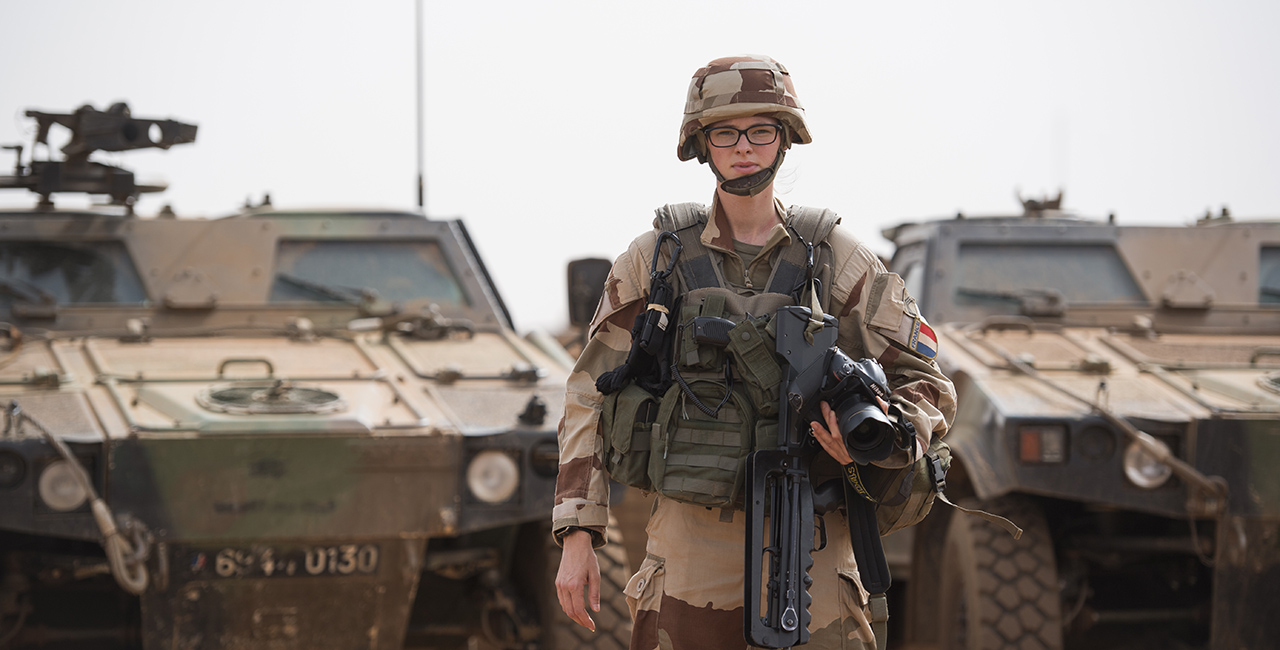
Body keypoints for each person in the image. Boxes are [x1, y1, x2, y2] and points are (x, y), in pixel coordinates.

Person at [553, 55, 956, 650]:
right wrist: (577, 533)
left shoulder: (836, 260)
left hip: (814, 532)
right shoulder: (656, 259)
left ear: (785, 140)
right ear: (702, 144)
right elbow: (590, 391)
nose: (745, 147)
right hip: (692, 546)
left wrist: (887, 433)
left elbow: (926, 379)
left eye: (761, 131)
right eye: (726, 132)